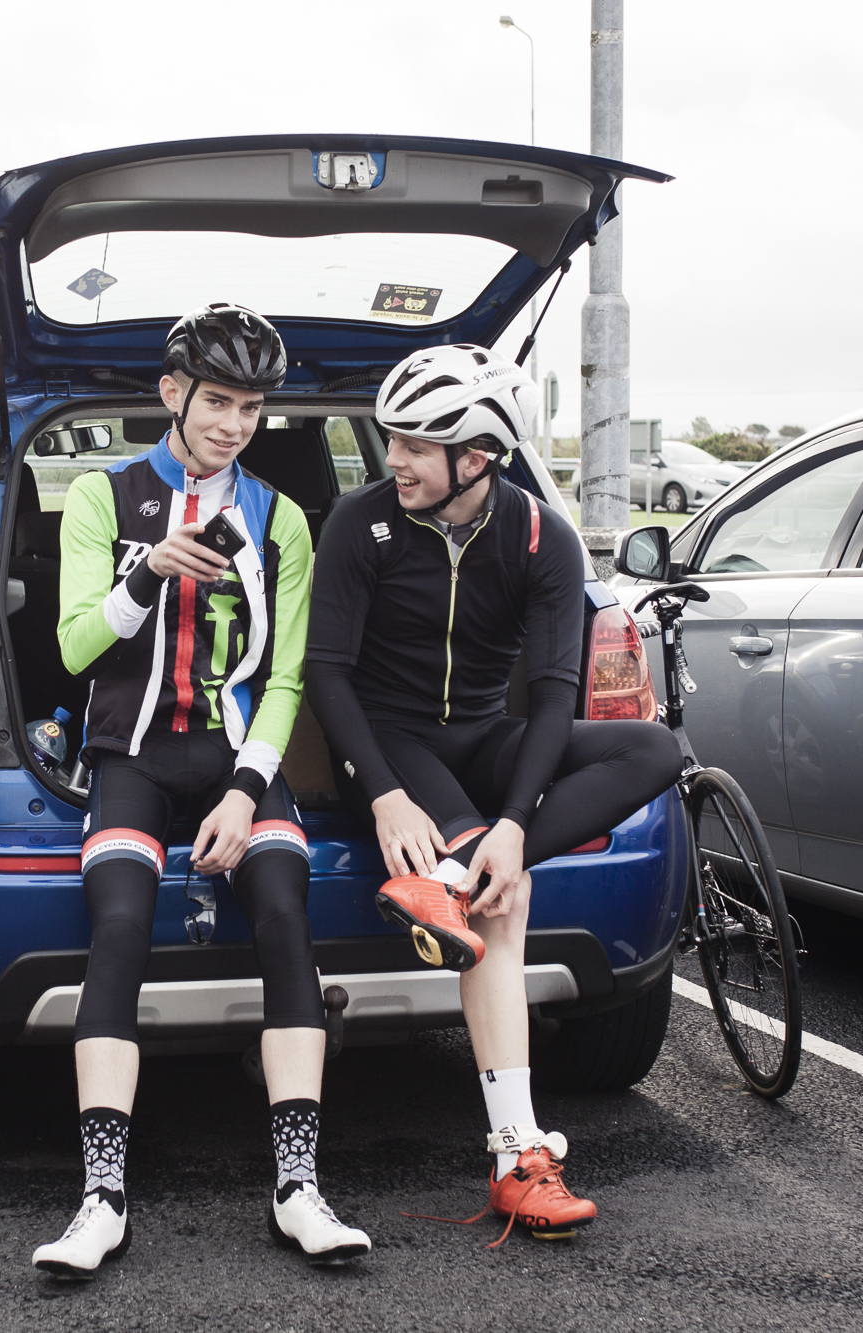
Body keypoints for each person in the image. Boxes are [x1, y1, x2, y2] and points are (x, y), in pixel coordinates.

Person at [304, 343, 678, 1244]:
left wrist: (514, 824)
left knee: (653, 748)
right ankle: (518, 1156)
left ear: (476, 456)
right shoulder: (360, 522)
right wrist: (385, 794)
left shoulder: (539, 534)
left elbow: (553, 690)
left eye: (413, 445)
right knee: (508, 912)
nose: (391, 458)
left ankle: (456, 873)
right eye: (390, 440)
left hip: (487, 737)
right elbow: (327, 674)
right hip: (392, 744)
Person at [30, 304, 370, 1278]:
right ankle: (99, 1198)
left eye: (250, 406)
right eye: (215, 400)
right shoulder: (105, 496)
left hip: (237, 761)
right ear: (171, 392)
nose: (230, 422)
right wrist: (145, 578)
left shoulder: (281, 518)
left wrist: (243, 789)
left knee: (279, 911)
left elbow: (288, 678)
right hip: (130, 758)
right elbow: (70, 649)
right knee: (121, 923)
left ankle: (298, 1187)